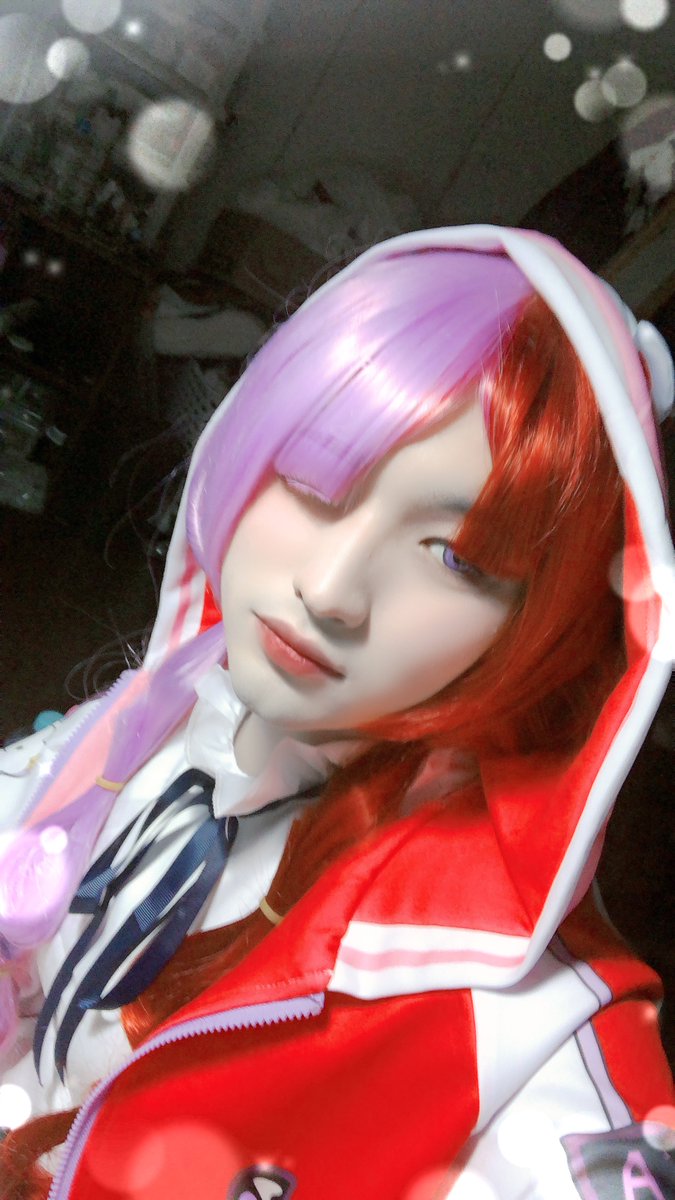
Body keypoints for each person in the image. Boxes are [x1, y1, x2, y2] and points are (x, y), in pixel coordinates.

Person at [1, 226, 673, 1200]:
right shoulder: (169, 703)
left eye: (456, 557)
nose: (329, 589)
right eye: (315, 475)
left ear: (542, 620)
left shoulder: (522, 1023)